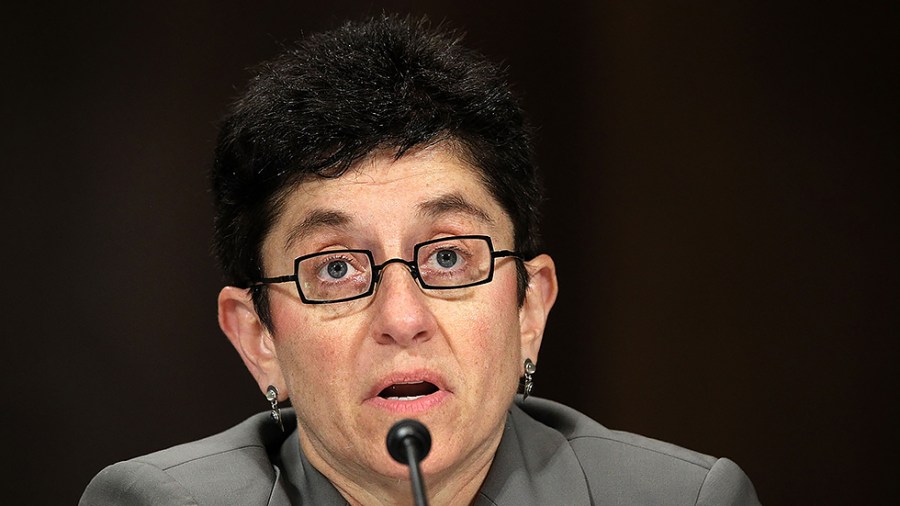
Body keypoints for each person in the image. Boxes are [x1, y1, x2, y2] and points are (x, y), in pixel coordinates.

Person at [81, 15, 760, 506]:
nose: (402, 318)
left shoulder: (684, 498)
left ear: (529, 307)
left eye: (446, 256)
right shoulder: (156, 503)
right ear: (259, 338)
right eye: (338, 268)